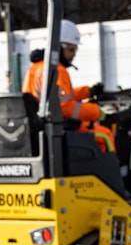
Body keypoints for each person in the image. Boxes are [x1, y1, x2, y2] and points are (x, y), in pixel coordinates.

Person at [22, 19, 114, 152]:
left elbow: (57, 97)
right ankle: (115, 172)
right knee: (106, 134)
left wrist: (88, 91)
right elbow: (65, 107)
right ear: (59, 48)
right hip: (55, 128)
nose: (74, 54)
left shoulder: (37, 67)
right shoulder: (57, 70)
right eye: (71, 49)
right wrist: (97, 112)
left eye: (75, 50)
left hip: (42, 126)